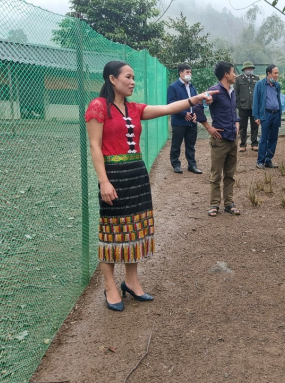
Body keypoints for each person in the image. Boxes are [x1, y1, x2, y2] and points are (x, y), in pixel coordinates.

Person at [85, 61, 216, 311]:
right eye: (128, 77)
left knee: (134, 229)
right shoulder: (98, 106)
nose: (133, 82)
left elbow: (167, 108)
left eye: (134, 77)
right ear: (112, 79)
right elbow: (94, 146)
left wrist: (196, 99)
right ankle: (110, 286)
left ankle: (131, 282)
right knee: (111, 233)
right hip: (114, 175)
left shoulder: (134, 108)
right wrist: (104, 181)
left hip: (137, 174)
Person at [195, 61, 241, 217]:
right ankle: (214, 204)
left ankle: (229, 203)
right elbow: (197, 105)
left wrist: (236, 124)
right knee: (216, 175)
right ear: (226, 74)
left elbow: (233, 111)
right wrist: (208, 127)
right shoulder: (214, 91)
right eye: (233, 72)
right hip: (220, 139)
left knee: (230, 174)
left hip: (232, 138)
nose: (235, 75)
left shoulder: (232, 91)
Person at [167, 63, 202, 174]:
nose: (189, 74)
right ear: (180, 73)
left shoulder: (192, 87)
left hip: (192, 121)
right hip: (179, 121)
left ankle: (192, 165)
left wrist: (196, 113)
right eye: (187, 72)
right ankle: (176, 164)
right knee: (176, 144)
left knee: (191, 145)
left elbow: (197, 102)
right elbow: (171, 103)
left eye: (190, 72)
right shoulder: (173, 87)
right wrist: (183, 114)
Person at [252, 64, 281, 169]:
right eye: (275, 73)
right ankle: (260, 161)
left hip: (276, 114)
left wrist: (279, 114)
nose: (277, 75)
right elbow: (255, 101)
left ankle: (268, 160)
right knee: (264, 137)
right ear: (269, 74)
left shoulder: (277, 85)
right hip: (266, 114)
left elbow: (278, 100)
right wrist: (256, 116)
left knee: (273, 138)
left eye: (277, 73)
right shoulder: (260, 84)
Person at [235, 61, 259, 153]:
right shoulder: (239, 79)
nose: (250, 70)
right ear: (244, 69)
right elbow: (236, 93)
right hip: (243, 107)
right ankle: (243, 144)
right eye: (248, 68)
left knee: (255, 126)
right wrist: (238, 105)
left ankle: (254, 144)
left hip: (254, 107)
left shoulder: (256, 79)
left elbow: (258, 92)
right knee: (242, 127)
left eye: (251, 68)